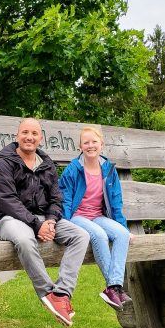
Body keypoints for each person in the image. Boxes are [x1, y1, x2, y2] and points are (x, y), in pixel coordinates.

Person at [0, 118, 90, 326]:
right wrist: (37, 225)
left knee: (81, 235)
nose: (29, 137)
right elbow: (7, 200)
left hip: (45, 219)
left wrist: (51, 221)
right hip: (10, 219)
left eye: (34, 134)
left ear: (40, 138)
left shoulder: (47, 165)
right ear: (17, 136)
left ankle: (62, 293)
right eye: (25, 132)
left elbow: (56, 199)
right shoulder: (4, 163)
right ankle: (47, 292)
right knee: (26, 240)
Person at [59, 126, 132, 309]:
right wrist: (65, 225)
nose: (90, 145)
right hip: (77, 217)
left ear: (102, 144)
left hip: (98, 216)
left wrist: (123, 226)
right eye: (86, 142)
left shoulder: (108, 169)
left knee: (122, 234)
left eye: (94, 142)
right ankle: (114, 287)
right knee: (99, 235)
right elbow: (65, 200)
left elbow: (116, 201)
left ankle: (113, 287)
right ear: (80, 146)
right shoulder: (73, 169)